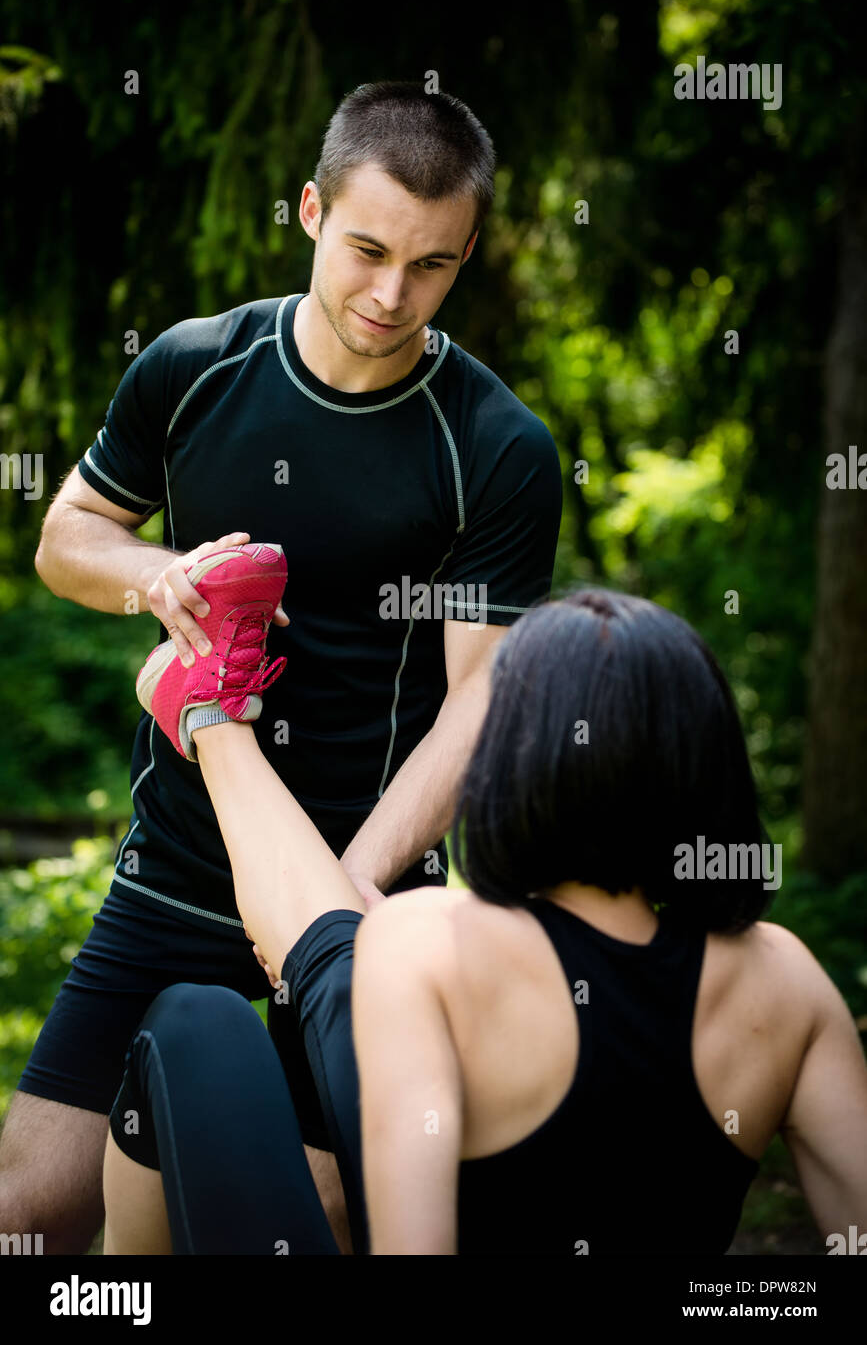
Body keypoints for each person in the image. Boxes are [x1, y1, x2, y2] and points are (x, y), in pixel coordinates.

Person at [2, 80, 563, 1253]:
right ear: (310, 209)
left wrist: (335, 901)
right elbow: (67, 540)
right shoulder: (194, 366)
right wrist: (153, 577)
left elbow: (478, 704)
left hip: (368, 888)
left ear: (464, 258)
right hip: (182, 857)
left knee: (304, 1223)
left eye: (431, 267)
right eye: (365, 249)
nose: (389, 295)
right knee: (31, 1214)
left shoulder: (497, 446)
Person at [102, 572, 867, 1254]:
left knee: (194, 1022)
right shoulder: (786, 979)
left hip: (385, 963)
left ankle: (209, 717)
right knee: (312, 966)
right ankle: (209, 717)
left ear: (509, 762)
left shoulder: (426, 937)